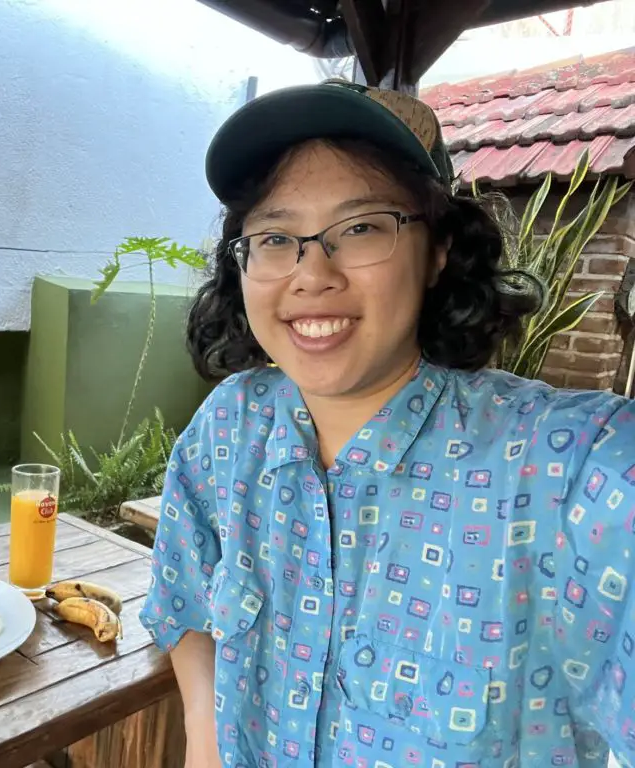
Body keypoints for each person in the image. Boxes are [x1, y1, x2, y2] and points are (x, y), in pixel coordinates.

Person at [137, 78, 635, 768]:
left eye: (362, 228)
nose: (312, 273)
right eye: (276, 237)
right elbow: (184, 598)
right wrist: (205, 735)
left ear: (437, 252)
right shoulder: (230, 427)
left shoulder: (571, 466)